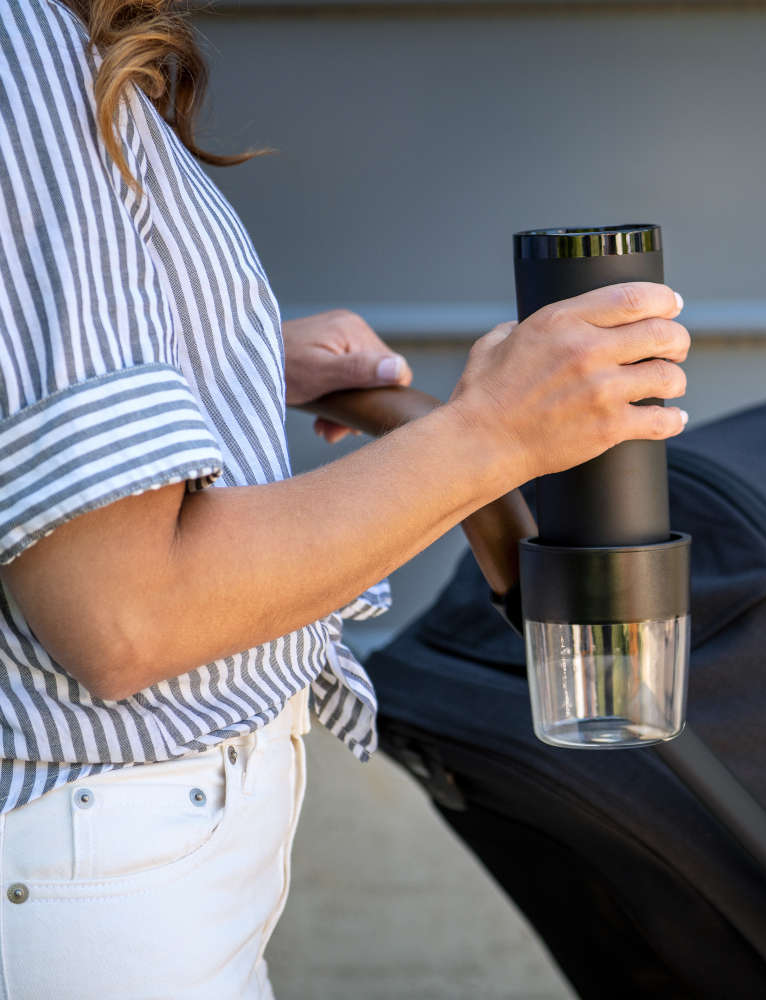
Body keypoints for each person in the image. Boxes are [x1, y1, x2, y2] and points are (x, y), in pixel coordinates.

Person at [0, 1, 690, 996]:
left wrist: (225, 363)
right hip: (97, 858)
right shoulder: (27, 47)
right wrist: (493, 432)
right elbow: (126, 611)